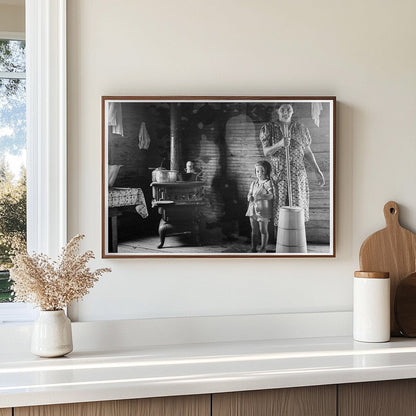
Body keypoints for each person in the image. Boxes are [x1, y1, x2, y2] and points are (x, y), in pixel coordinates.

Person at [259, 104, 325, 226]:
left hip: (298, 175)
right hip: (279, 175)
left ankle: (297, 240)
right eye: (282, 110)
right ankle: (282, 241)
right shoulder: (269, 128)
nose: (285, 112)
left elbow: (307, 152)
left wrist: (317, 171)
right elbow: (266, 152)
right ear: (277, 111)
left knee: (298, 207)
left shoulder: (300, 128)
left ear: (293, 111)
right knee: (281, 208)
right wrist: (280, 144)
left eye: (288, 109)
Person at [245, 160, 274, 253]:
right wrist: (249, 197)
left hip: (263, 211)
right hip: (252, 209)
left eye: (262, 171)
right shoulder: (254, 183)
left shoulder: (267, 183)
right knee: (254, 230)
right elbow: (249, 193)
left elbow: (271, 195)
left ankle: (263, 248)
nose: (259, 173)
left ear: (267, 171)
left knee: (263, 230)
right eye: (257, 171)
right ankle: (253, 248)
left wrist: (261, 196)